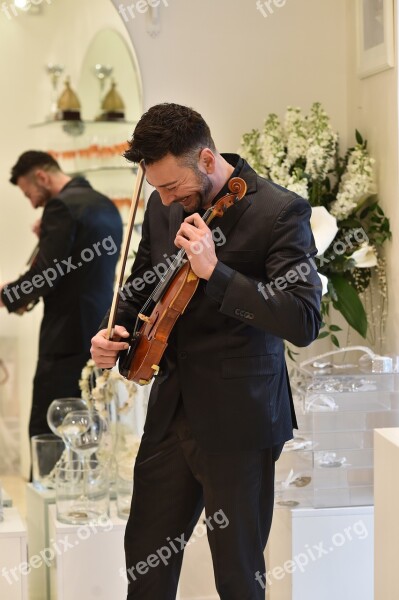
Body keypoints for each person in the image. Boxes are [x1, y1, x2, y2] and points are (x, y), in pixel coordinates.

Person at [91, 103, 322, 600]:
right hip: (171, 409)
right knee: (145, 562)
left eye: (173, 186)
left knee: (238, 575)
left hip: (241, 420)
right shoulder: (161, 204)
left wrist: (216, 272)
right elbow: (139, 288)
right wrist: (114, 332)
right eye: (157, 189)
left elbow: (303, 320)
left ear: (209, 160)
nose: (168, 200)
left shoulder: (280, 212)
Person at [0, 151, 123, 439]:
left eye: (29, 193)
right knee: (90, 426)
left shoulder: (60, 207)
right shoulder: (105, 205)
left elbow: (44, 275)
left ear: (42, 177)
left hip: (65, 337)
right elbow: (75, 268)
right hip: (99, 331)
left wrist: (7, 296)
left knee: (49, 430)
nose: (32, 203)